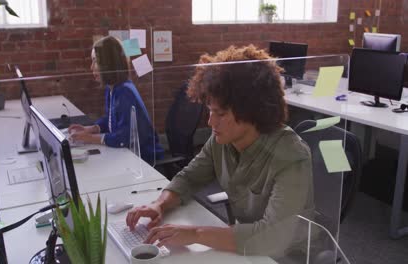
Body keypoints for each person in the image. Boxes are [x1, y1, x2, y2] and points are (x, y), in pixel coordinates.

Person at [125, 45, 314, 256]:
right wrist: (159, 205)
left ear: (253, 111)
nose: (210, 121)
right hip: (244, 248)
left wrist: (195, 234)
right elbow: (189, 178)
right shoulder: (221, 140)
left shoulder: (290, 155)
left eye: (221, 114)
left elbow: (272, 238)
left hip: (288, 256)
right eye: (210, 110)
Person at [68, 36, 163, 164]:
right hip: (126, 153)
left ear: (108, 64)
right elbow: (111, 119)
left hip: (142, 158)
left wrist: (90, 138)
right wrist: (91, 129)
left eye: (95, 61)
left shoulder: (125, 92)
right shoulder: (112, 88)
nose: (91, 67)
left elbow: (123, 138)